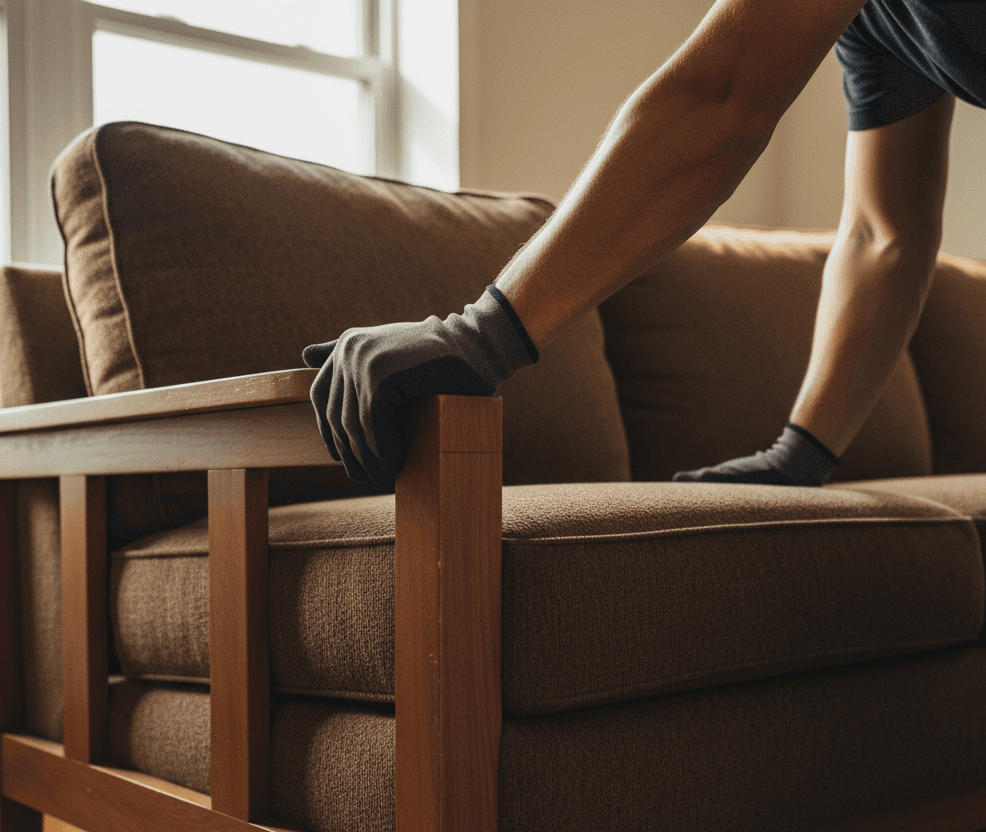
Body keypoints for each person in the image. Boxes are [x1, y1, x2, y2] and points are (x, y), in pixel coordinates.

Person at [304, 0, 977, 489]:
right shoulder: (879, 23)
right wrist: (802, 453)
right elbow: (882, 233)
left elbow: (718, 97)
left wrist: (480, 336)